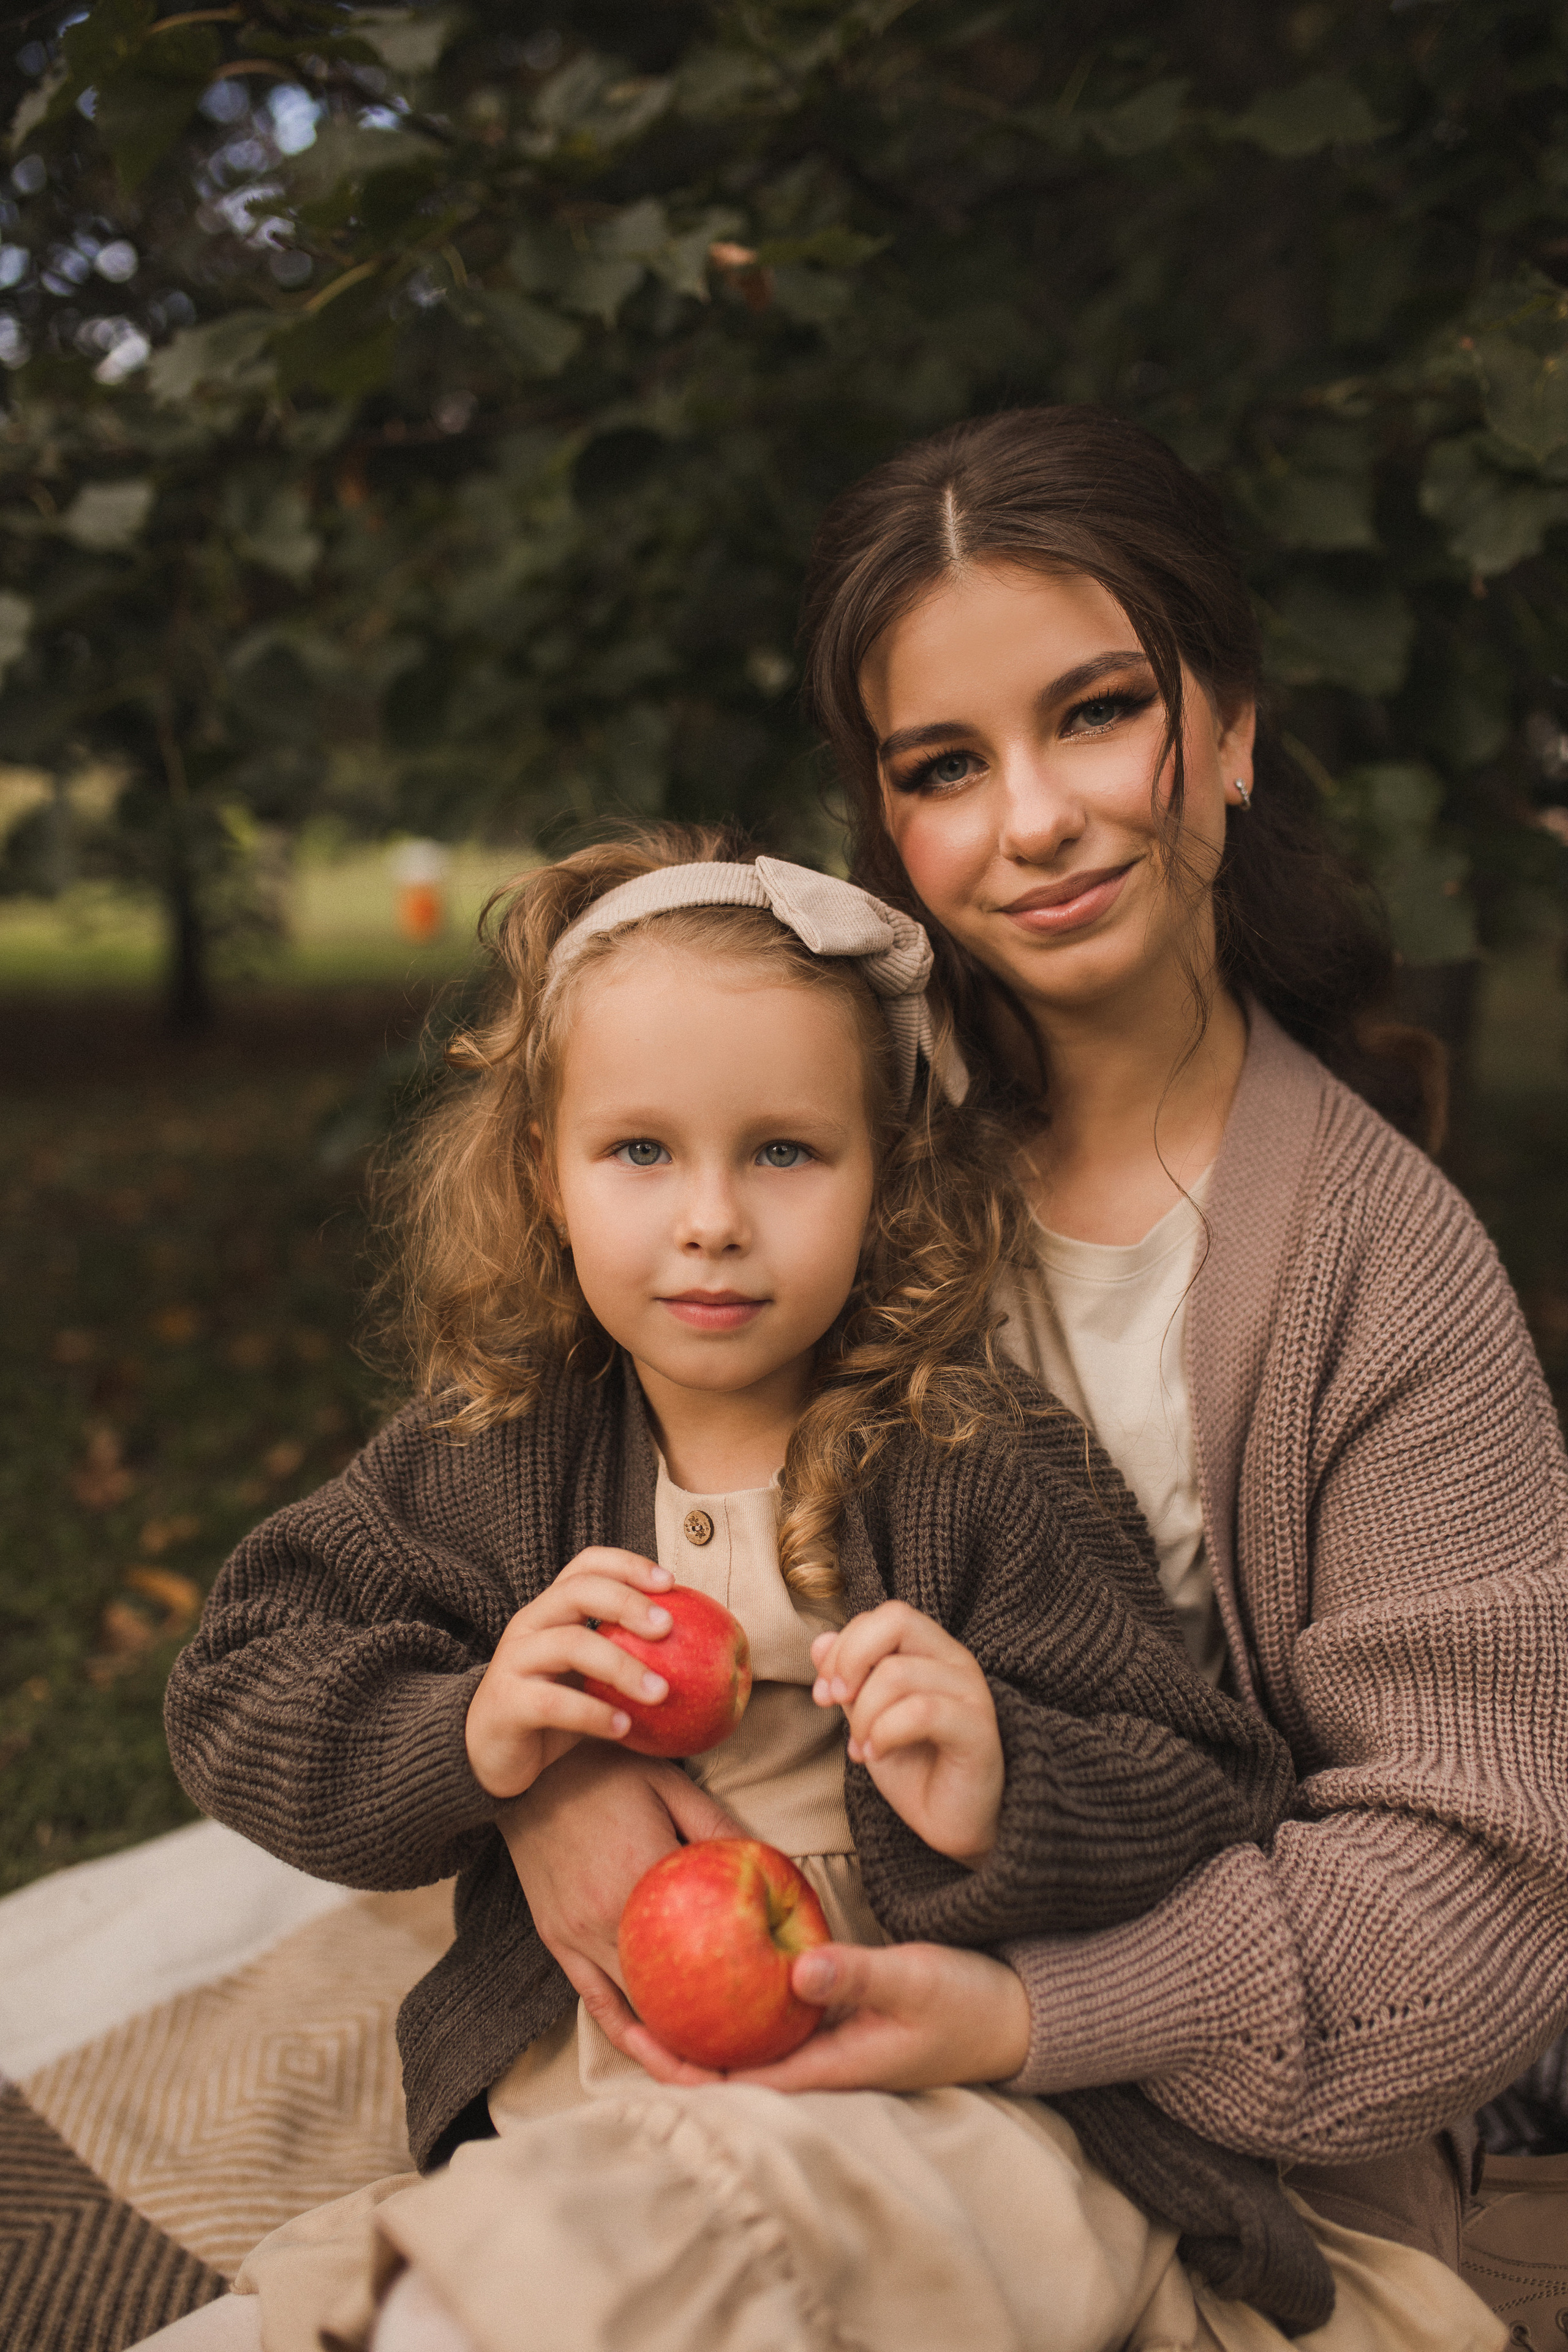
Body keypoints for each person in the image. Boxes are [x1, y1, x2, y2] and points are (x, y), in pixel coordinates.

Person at [144, 829, 1497, 2352]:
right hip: (584, 2111)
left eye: (783, 1151)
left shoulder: (969, 1464)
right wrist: (474, 1733)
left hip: (933, 2104)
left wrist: (1004, 1780)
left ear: (882, 1176)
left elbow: (1206, 1779)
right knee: (404, 2296)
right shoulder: (492, 1460)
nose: (711, 1217)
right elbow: (241, 1678)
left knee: (669, 2268)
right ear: (545, 1173)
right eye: (639, 1152)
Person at [481, 407, 1568, 2282]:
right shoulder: (805, 1158)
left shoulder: (1384, 1275)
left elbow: (1475, 1913)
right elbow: (476, 1520)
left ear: (1226, 725)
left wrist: (1020, 2020)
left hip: (1190, 2134)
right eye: (944, 763)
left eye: (1093, 714)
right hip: (713, 2004)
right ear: (887, 818)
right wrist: (544, 1781)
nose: (1035, 818)